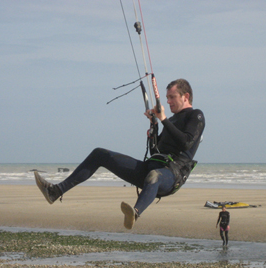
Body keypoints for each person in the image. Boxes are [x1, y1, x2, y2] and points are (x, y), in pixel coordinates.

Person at [34, 78, 205, 229]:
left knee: (154, 176)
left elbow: (186, 142)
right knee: (99, 154)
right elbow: (156, 151)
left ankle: (135, 213)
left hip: (170, 176)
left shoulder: (195, 115)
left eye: (172, 97)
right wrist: (154, 128)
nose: (168, 101)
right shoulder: (171, 120)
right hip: (151, 167)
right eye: (167, 97)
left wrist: (163, 119)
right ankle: (55, 192)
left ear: (186, 96)